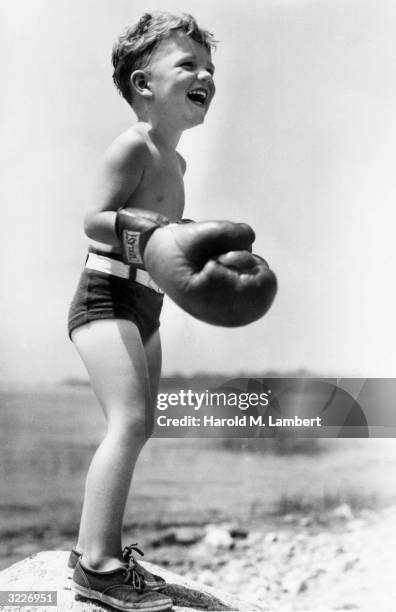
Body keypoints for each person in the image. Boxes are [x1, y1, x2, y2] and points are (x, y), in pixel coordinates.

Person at [67, 11, 216, 611]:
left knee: (142, 425)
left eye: (209, 68)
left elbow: (162, 246)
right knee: (127, 422)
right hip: (105, 296)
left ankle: (106, 551)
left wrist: (196, 251)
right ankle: (94, 564)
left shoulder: (177, 164)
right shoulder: (135, 145)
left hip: (145, 303)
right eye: (188, 64)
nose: (205, 74)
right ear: (143, 85)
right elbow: (95, 219)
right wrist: (156, 228)